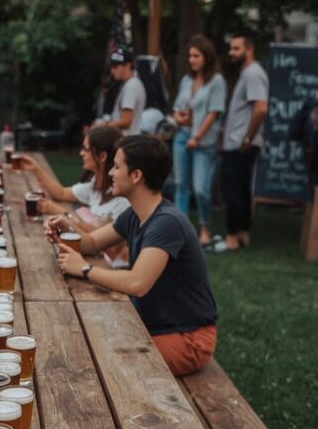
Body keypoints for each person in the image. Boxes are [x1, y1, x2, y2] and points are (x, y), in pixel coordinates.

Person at [50, 135, 218, 377]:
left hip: (187, 338)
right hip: (157, 327)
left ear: (136, 176)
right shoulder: (135, 214)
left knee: (99, 364)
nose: (110, 173)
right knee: (85, 341)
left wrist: (85, 269)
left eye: (117, 167)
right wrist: (66, 227)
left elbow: (137, 283)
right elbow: (94, 241)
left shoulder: (166, 223)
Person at [19, 127, 129, 258]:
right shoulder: (97, 185)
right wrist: (35, 168)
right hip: (93, 254)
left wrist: (65, 215)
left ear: (102, 156)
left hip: (106, 262)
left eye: (86, 149)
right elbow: (61, 193)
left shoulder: (122, 198)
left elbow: (106, 241)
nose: (81, 153)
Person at [215, 32, 269, 252]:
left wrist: (247, 138)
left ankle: (231, 238)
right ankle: (243, 235)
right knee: (241, 191)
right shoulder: (247, 74)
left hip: (240, 144)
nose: (231, 53)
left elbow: (261, 108)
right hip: (237, 142)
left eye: (236, 48)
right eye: (230, 49)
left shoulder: (253, 74)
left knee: (232, 192)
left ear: (249, 49)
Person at [172, 35, 227, 247]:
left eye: (197, 55)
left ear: (207, 56)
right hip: (182, 136)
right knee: (181, 185)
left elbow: (214, 112)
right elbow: (177, 108)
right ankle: (181, 231)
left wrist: (197, 137)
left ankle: (205, 227)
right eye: (190, 56)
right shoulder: (186, 80)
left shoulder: (217, 81)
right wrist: (178, 118)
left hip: (203, 142)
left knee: (201, 189)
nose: (192, 60)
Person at [107, 47, 147, 135]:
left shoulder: (131, 87)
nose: (112, 71)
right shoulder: (132, 83)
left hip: (127, 140)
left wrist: (103, 126)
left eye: (115, 66)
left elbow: (126, 121)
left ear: (128, 65)